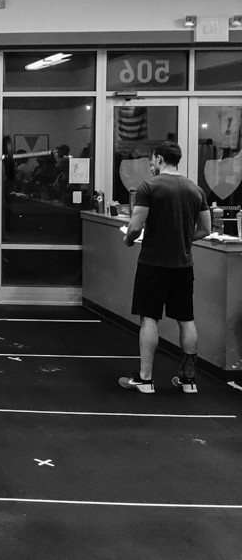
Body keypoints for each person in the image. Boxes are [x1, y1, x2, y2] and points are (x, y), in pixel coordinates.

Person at [119, 142, 211, 395]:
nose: (151, 164)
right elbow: (205, 229)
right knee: (186, 319)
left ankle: (145, 380)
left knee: (149, 318)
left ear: (159, 158)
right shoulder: (195, 189)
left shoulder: (149, 187)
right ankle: (188, 380)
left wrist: (128, 240)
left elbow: (135, 226)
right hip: (183, 265)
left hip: (153, 264)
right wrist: (183, 240)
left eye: (152, 159)